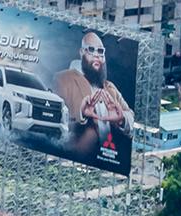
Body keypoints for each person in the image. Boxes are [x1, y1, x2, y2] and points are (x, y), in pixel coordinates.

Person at [54, 29, 132, 169]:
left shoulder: (110, 88)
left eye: (101, 51)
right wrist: (81, 115)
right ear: (81, 52)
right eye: (91, 50)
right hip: (74, 161)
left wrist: (121, 119)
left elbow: (131, 116)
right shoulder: (63, 80)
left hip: (110, 160)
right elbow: (54, 120)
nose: (97, 56)